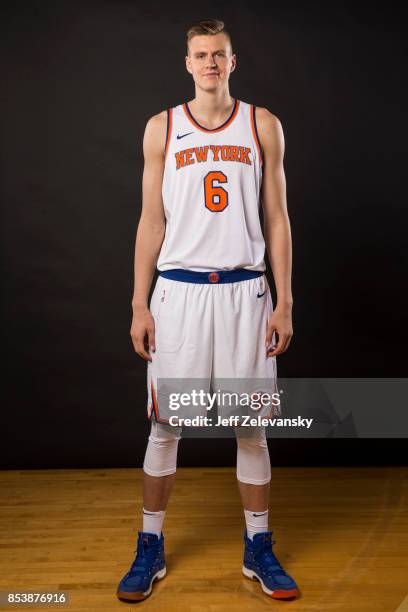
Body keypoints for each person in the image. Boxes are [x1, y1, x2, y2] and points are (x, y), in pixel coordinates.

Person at [116, 18, 299, 602]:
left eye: (219, 54)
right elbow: (151, 221)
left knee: (251, 426)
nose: (210, 64)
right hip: (181, 292)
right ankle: (150, 546)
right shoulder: (161, 128)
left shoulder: (261, 124)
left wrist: (286, 300)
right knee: (167, 424)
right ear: (187, 63)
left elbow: (277, 219)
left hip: (245, 291)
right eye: (201, 55)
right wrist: (139, 302)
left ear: (233, 61)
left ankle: (258, 545)